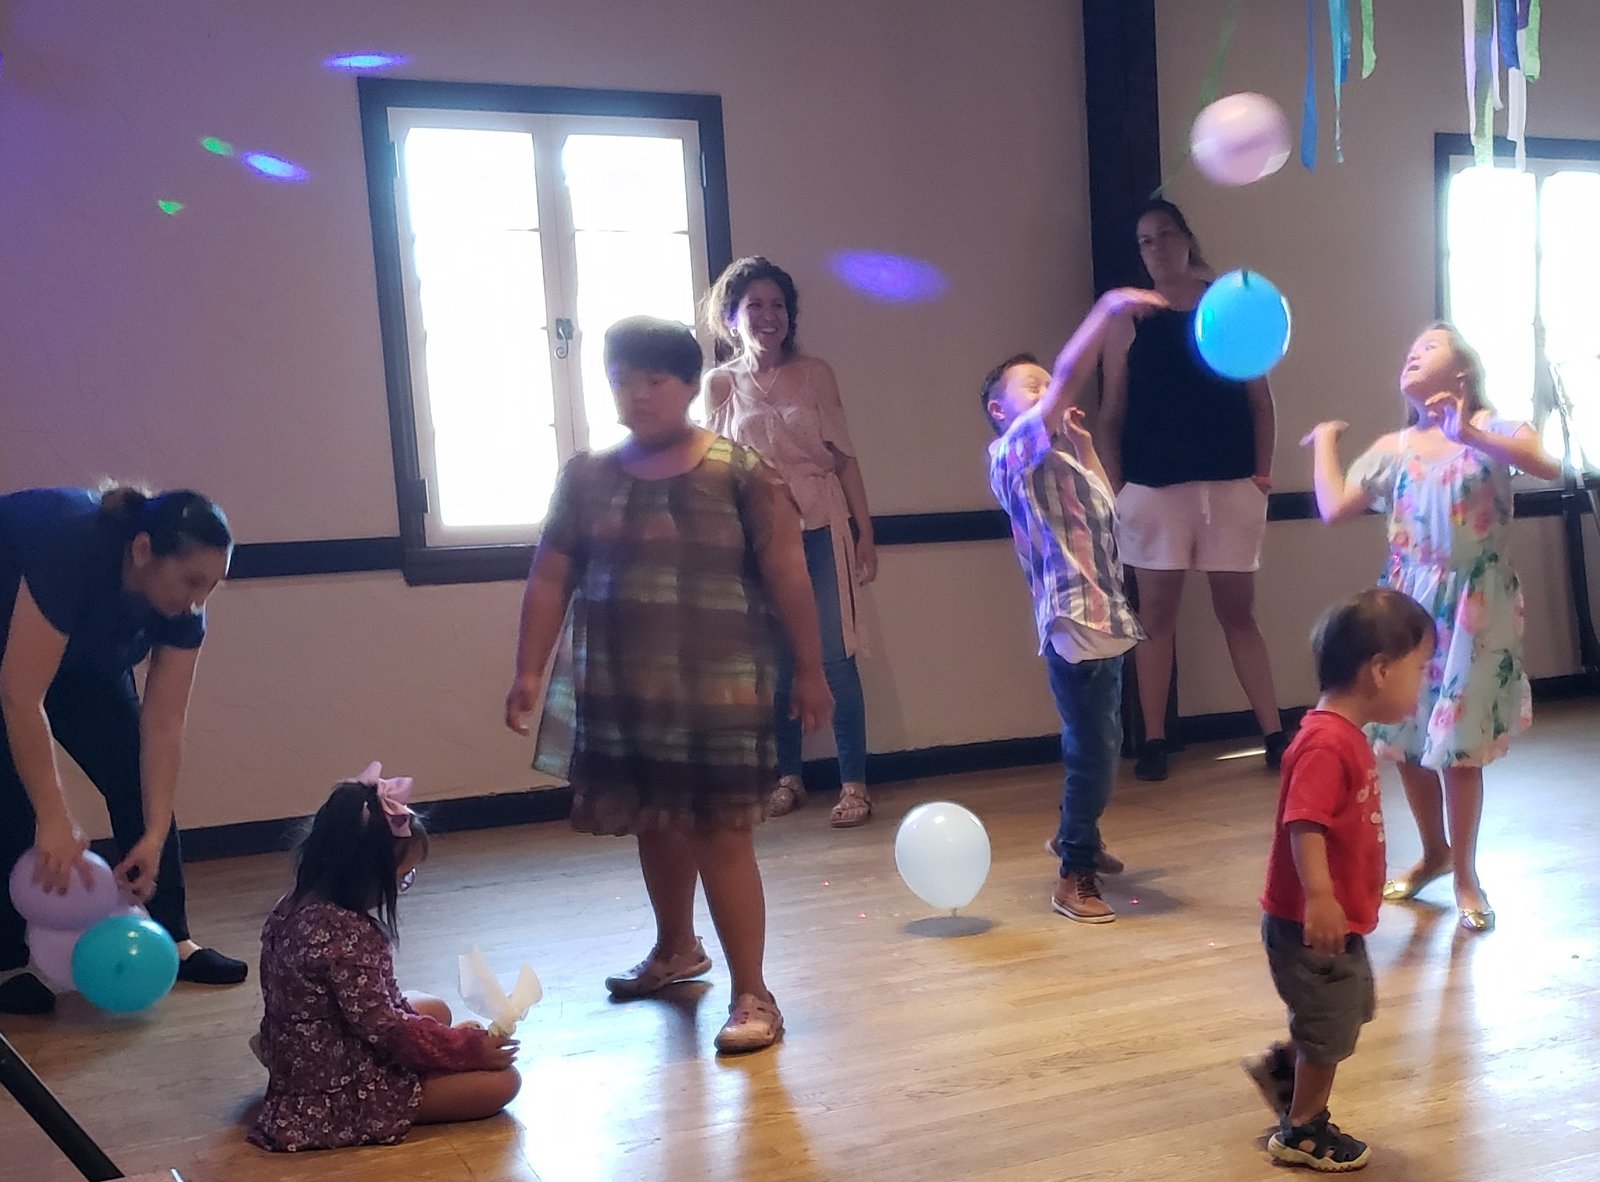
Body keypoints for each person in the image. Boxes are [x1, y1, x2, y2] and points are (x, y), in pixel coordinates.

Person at [505, 316, 831, 1054]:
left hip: (721, 692)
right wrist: (527, 670)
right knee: (653, 818)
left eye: (655, 379)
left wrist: (811, 671)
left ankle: (754, 993)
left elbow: (789, 574)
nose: (638, 394)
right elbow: (550, 574)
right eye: (622, 379)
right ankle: (676, 948)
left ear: (688, 385)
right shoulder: (586, 477)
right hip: (624, 686)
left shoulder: (741, 473)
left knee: (720, 832)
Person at [1302, 323, 1560, 933]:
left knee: (1458, 746)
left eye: (1428, 347)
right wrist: (1325, 442)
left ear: (1462, 369)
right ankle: (1434, 853)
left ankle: (1466, 873)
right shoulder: (1395, 446)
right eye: (1410, 351)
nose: (1412, 355)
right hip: (1407, 607)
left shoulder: (1497, 429)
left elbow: (1549, 466)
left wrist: (1468, 434)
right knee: (1407, 737)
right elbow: (1333, 507)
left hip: (1475, 609)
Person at [0, 485, 247, 1016]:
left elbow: (164, 725)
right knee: (11, 801)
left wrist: (153, 835)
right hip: (8, 652)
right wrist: (55, 817)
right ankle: (5, 964)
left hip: (82, 663)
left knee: (134, 775)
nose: (198, 601)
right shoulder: (71, 551)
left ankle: (172, 938)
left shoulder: (182, 611)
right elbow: (21, 697)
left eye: (212, 585)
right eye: (192, 581)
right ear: (142, 550)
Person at [982, 288, 1165, 922]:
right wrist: (1108, 310)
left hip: (1106, 617)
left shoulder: (1063, 460)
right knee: (1095, 754)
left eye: (1045, 387)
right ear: (1000, 410)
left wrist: (1084, 446)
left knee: (1099, 747)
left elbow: (1108, 511)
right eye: (1030, 388)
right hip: (1075, 620)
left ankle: (1074, 834)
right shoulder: (1013, 453)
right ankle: (1073, 873)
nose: (1048, 394)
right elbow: (1066, 374)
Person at [1245, 587, 1435, 1172]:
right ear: (1379, 670)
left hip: (1334, 918)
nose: (1424, 682)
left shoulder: (1345, 735)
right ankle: (1302, 1129)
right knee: (1330, 1027)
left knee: (1345, 1011)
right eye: (1420, 669)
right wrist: (1321, 898)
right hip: (1309, 922)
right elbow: (1303, 823)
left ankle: (1288, 1070)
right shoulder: (1327, 743)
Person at [1099, 200, 1287, 781]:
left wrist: (1260, 478)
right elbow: (1111, 414)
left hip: (1229, 485)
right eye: (1145, 241)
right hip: (1153, 490)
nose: (1156, 248)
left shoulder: (1224, 307)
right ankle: (1154, 741)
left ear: (1186, 239)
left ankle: (1273, 733)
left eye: (1165, 235)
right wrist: (1117, 491)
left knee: (1239, 612)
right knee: (1156, 615)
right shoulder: (1127, 321)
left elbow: (1260, 403)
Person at [249, 768, 521, 1152]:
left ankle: (441, 1052)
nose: (402, 888)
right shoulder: (347, 937)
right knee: (505, 1083)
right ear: (365, 874)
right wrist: (466, 1049)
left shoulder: (291, 906)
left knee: (435, 1008)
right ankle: (371, 1098)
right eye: (402, 878)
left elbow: (379, 1007)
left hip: (303, 1051)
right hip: (338, 1087)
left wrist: (450, 1043)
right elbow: (389, 1031)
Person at [702, 257, 876, 827]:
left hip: (821, 526)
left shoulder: (815, 373)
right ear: (732, 316)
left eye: (777, 305)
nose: (768, 316)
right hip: (757, 537)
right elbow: (716, 471)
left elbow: (845, 459)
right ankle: (788, 776)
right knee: (776, 660)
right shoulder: (720, 384)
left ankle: (854, 784)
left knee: (834, 656)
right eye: (754, 305)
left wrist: (865, 533)